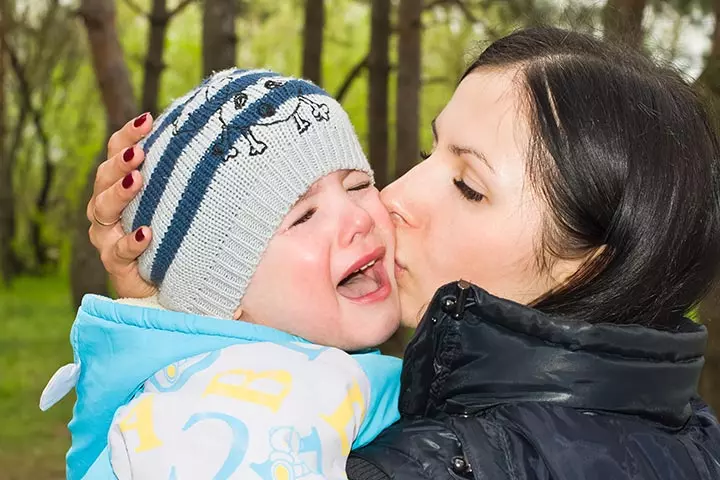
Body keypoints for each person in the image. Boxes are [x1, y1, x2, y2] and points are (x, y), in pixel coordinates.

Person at [87, 27, 720, 479]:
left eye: (468, 186)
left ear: (588, 263)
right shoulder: (691, 436)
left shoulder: (423, 462)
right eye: (428, 154)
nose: (390, 198)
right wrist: (175, 323)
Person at [42, 69, 404, 480]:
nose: (358, 217)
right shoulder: (238, 417)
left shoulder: (271, 378)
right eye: (303, 216)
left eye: (358, 185)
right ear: (224, 300)